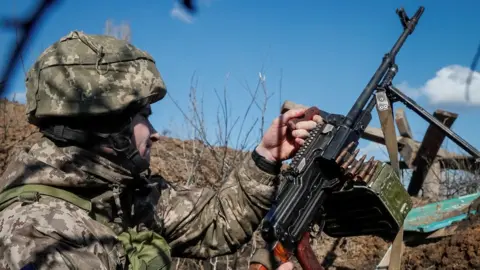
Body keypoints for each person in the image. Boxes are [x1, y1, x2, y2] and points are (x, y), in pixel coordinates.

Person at [0, 31, 320, 270]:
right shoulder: (37, 239)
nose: (156, 135)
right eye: (145, 118)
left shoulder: (118, 196)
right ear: (107, 125)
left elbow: (217, 221)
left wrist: (267, 155)